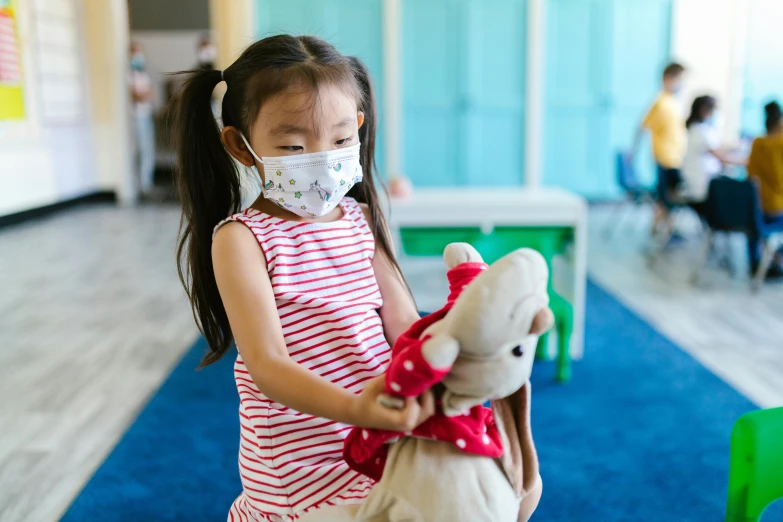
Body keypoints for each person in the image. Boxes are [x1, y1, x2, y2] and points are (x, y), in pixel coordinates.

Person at [172, 35, 434, 521]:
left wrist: (448, 365)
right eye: (293, 145)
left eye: (339, 140)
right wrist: (360, 411)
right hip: (298, 459)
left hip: (377, 432)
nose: (321, 159)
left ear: (358, 126)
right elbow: (268, 366)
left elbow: (403, 321)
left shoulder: (362, 219)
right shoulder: (242, 238)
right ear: (241, 145)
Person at [631, 62, 687, 233]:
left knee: (670, 197)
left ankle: (666, 228)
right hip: (665, 157)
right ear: (668, 79)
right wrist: (632, 153)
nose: (682, 84)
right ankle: (661, 229)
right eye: (679, 79)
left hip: (676, 157)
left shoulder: (673, 102)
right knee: (665, 198)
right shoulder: (661, 103)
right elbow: (642, 126)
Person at [680, 95, 744, 215]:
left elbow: (718, 148)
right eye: (714, 110)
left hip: (701, 182)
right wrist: (747, 161)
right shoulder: (700, 132)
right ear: (704, 110)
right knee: (740, 189)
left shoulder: (700, 129)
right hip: (701, 187)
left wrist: (735, 147)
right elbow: (722, 157)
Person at [746, 101, 783, 278]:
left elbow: (750, 174)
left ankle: (756, 261)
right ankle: (777, 260)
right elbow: (779, 181)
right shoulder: (779, 145)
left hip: (755, 209)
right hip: (776, 209)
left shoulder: (757, 143)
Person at [129, 41, 156, 196]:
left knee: (148, 149)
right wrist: (144, 95)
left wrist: (145, 95)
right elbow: (137, 96)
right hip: (136, 117)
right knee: (138, 150)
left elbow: (150, 94)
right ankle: (139, 185)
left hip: (145, 115)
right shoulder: (128, 75)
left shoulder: (143, 74)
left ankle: (147, 184)